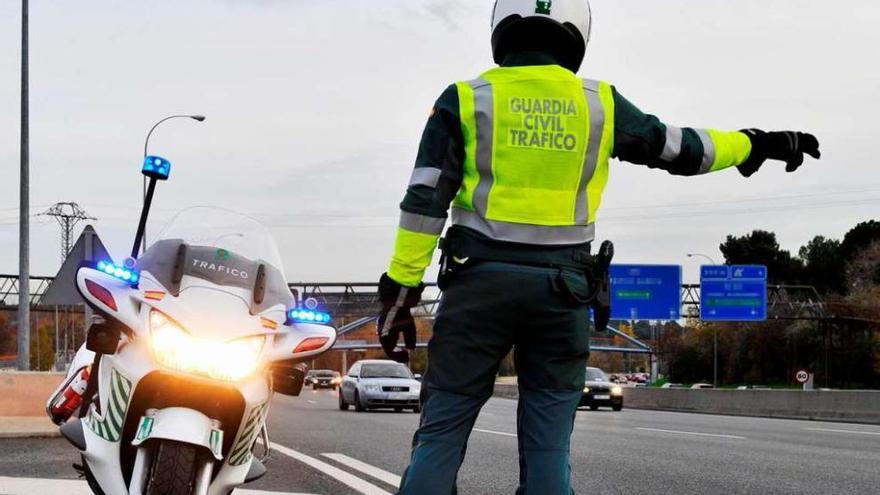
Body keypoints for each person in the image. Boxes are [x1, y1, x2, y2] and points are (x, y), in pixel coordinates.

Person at [375, 1, 821, 493]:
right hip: (563, 294)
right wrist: (755, 143)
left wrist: (400, 295)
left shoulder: (465, 98)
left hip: (478, 287)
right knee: (548, 446)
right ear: (575, 35)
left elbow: (424, 202)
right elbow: (679, 147)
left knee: (442, 431)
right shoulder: (598, 103)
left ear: (502, 30)